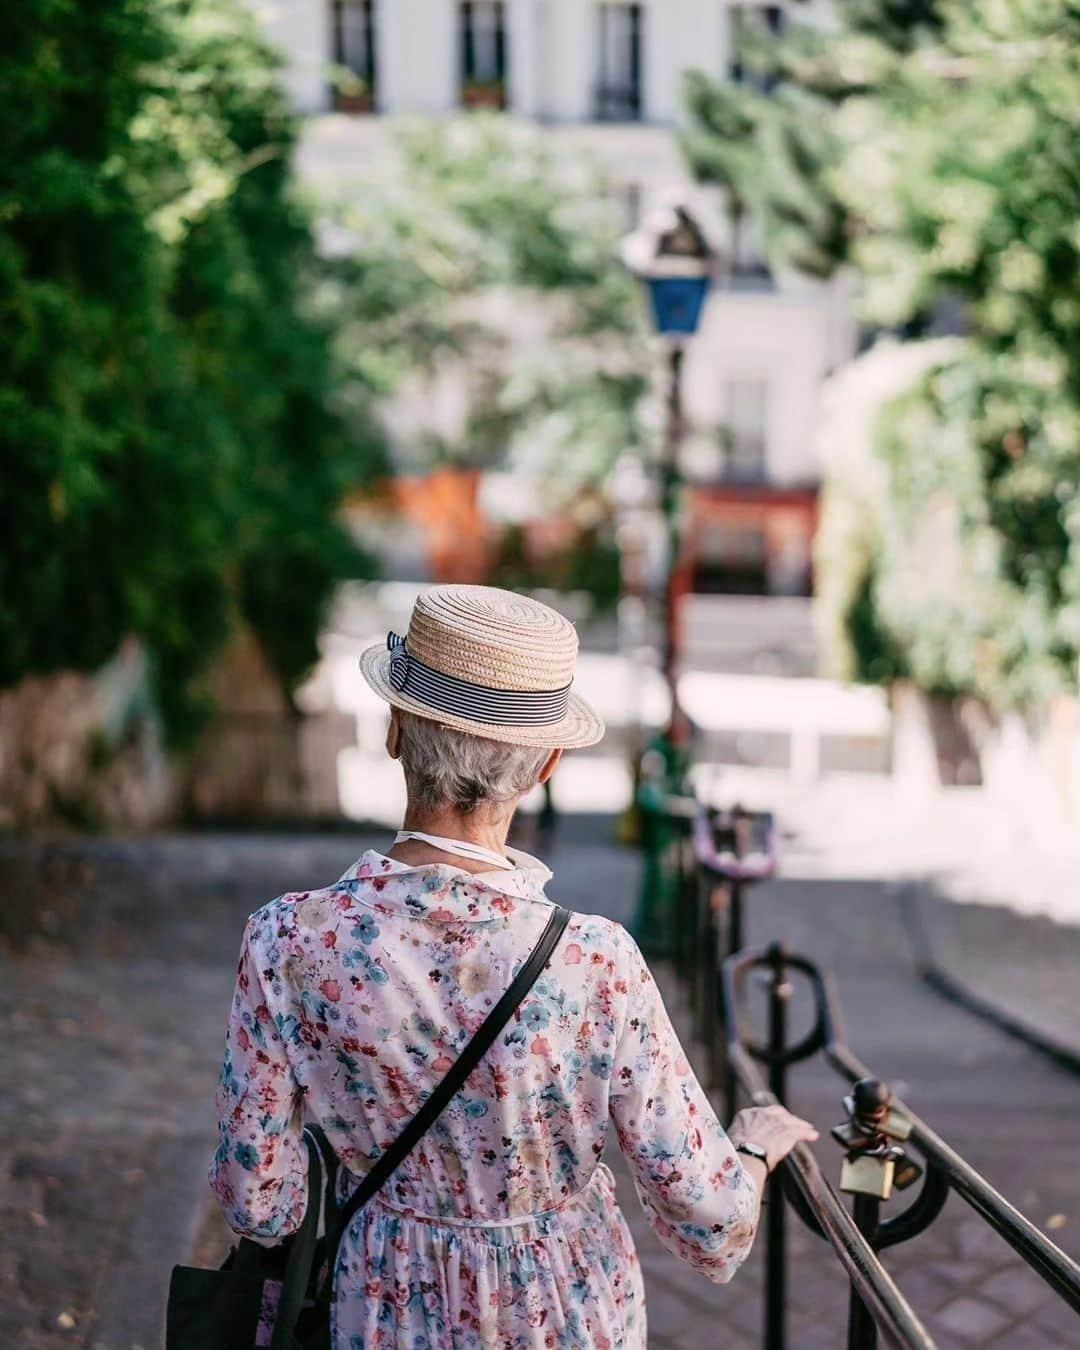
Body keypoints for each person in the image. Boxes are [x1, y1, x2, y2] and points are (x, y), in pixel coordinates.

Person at [209, 585, 817, 1348]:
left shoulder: (289, 940)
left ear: (395, 730)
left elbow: (256, 1197)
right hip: (565, 1315)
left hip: (383, 1309)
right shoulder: (595, 962)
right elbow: (708, 1212)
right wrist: (755, 1145)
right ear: (547, 767)